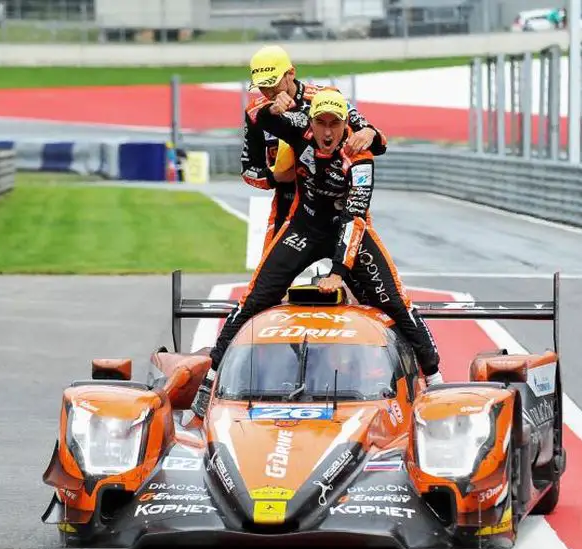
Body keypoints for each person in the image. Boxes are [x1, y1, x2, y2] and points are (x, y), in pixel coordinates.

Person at [188, 88, 443, 421]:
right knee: (254, 299)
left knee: (395, 301)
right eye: (320, 122)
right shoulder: (299, 127)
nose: (326, 132)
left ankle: (436, 382)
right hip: (305, 226)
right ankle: (210, 382)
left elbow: (355, 217)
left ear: (343, 125)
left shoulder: (360, 155)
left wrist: (339, 270)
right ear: (310, 121)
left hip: (347, 229)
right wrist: (272, 108)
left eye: (334, 124)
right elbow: (258, 118)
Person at [242, 44, 388, 255]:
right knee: (269, 278)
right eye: (262, 87)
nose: (269, 92)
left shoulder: (325, 97)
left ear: (290, 74)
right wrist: (276, 177)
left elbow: (379, 143)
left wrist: (369, 132)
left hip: (339, 201)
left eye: (273, 85)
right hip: (290, 202)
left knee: (358, 272)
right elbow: (248, 170)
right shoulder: (256, 113)